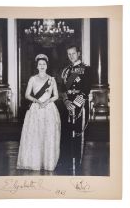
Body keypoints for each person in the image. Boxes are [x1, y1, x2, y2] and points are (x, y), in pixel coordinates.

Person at [17, 54, 61, 171]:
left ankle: (48, 162)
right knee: (36, 134)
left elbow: (56, 95)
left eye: (44, 64)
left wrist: (47, 101)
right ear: (37, 66)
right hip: (36, 108)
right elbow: (27, 95)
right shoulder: (32, 79)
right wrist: (37, 101)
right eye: (40, 64)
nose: (42, 66)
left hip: (49, 109)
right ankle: (35, 161)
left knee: (48, 135)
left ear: (47, 66)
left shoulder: (52, 80)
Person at [61, 44, 91, 173]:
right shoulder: (66, 70)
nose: (71, 56)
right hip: (67, 106)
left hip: (80, 106)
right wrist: (67, 102)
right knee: (67, 134)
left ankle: (77, 163)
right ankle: (67, 162)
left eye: (73, 53)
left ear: (78, 53)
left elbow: (86, 89)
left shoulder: (86, 69)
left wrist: (75, 104)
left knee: (78, 134)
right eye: (69, 54)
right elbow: (63, 89)